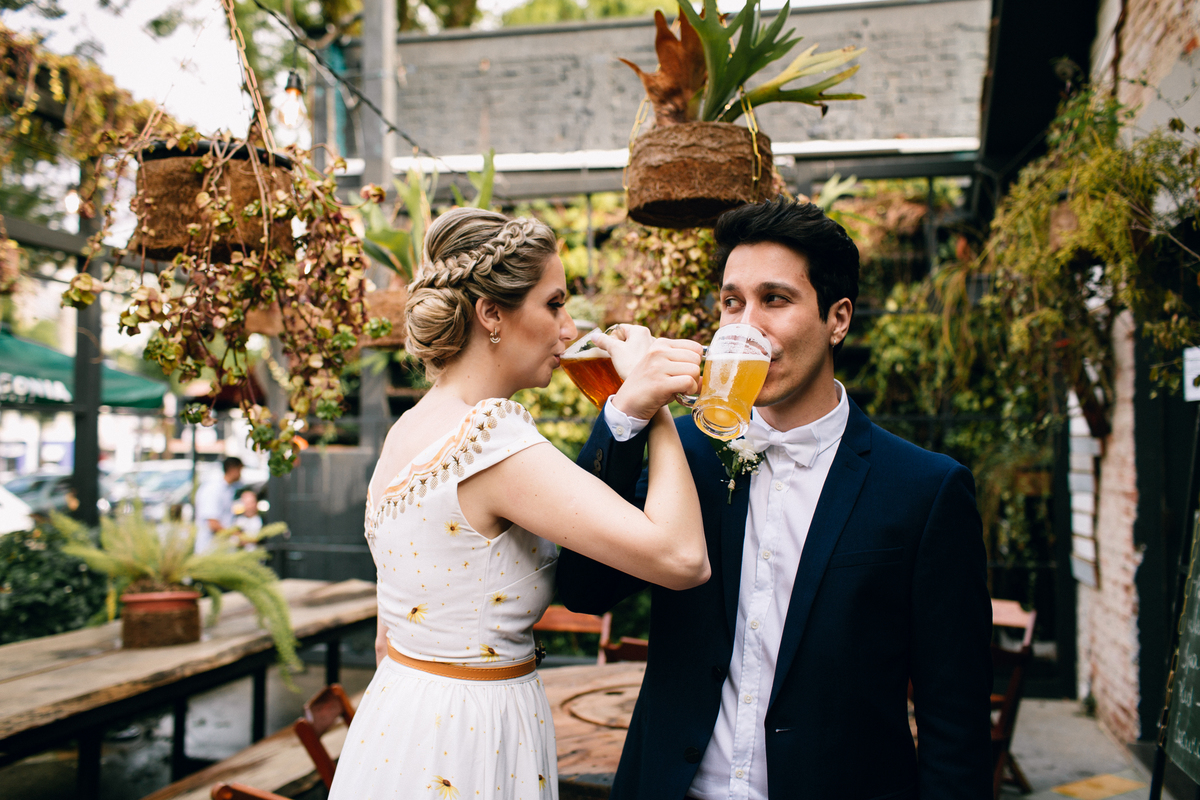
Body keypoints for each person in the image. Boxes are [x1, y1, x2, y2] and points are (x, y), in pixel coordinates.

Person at [556, 198, 994, 800]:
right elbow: (583, 589)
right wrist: (627, 414)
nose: (746, 326)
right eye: (732, 302)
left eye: (776, 300)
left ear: (837, 319)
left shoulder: (925, 488)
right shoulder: (679, 452)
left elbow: (956, 720)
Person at [327, 207, 709, 800]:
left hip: (398, 724)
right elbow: (684, 559)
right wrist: (650, 401)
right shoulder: (489, 437)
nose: (569, 324)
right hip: (471, 738)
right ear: (491, 314)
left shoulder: (407, 430)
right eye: (554, 303)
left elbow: (388, 634)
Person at [193, 456, 242, 553]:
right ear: (233, 469)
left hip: (221, 550)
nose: (241, 474)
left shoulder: (228, 489)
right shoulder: (213, 489)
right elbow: (213, 523)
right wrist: (236, 535)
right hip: (209, 550)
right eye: (240, 470)